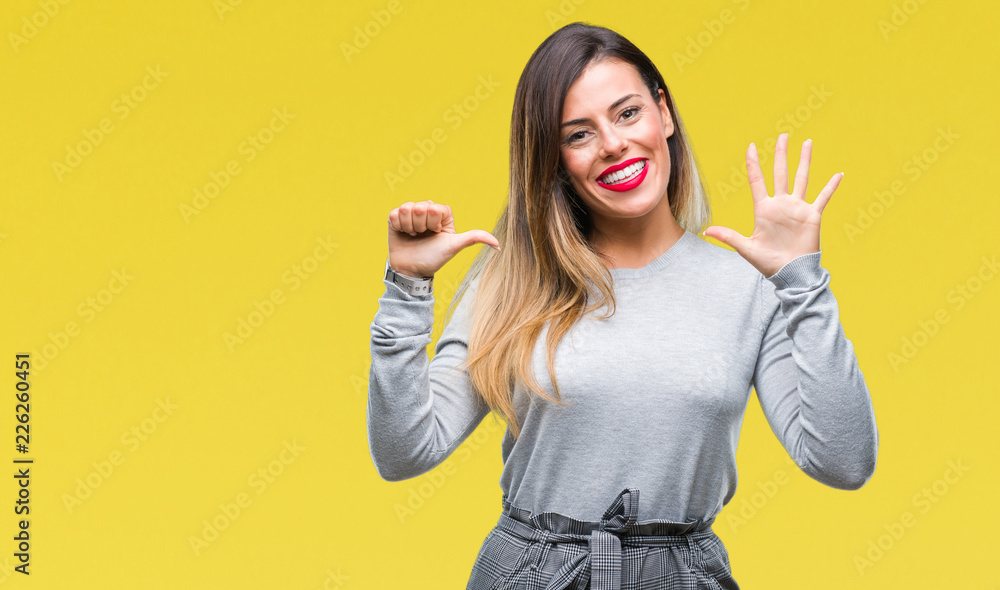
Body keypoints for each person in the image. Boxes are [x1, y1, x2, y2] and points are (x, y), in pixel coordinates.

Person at [368, 22, 878, 590]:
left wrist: (801, 281)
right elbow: (405, 451)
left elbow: (844, 461)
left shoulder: (749, 287)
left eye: (628, 113)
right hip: (533, 575)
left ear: (664, 113)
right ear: (555, 160)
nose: (613, 143)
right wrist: (407, 288)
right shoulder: (512, 280)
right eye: (578, 134)